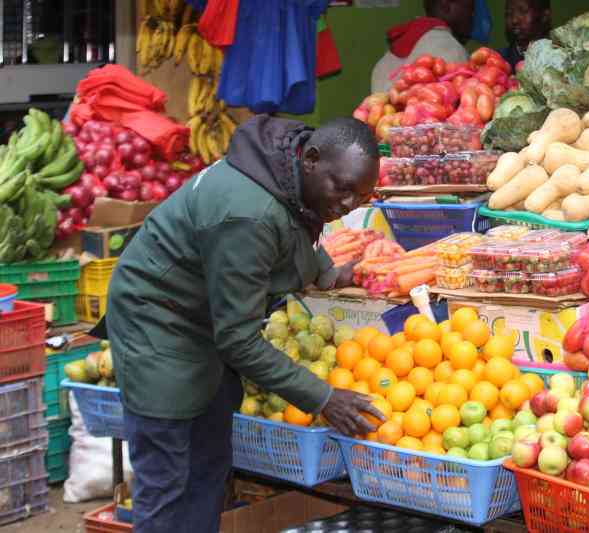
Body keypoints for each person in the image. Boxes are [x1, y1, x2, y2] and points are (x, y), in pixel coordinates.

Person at [94, 116, 385, 533]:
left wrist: (325, 272)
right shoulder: (247, 213)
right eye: (342, 189)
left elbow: (297, 220)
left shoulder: (286, 167)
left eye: (359, 197)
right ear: (313, 159)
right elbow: (238, 340)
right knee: (167, 477)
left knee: (209, 464)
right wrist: (323, 397)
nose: (346, 206)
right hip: (156, 318)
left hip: (203, 314)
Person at [370, 0, 475, 94]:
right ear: (445, 5)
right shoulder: (452, 50)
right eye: (470, 10)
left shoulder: (389, 55)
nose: (473, 18)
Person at [499, 0, 550, 68]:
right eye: (509, 13)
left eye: (523, 11)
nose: (514, 20)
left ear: (544, 15)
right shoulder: (498, 60)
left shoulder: (561, 58)